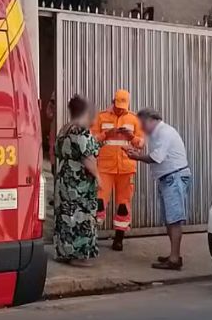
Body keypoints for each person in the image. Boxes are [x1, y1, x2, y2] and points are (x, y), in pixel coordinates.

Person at [125, 109, 191, 271]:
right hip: (167, 178)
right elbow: (154, 154)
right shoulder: (155, 135)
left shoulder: (164, 132)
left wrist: (137, 157)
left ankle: (174, 259)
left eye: (142, 123)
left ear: (151, 119)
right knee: (170, 219)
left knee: (174, 220)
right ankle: (173, 255)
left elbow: (156, 157)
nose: (141, 127)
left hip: (174, 177)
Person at [91, 89, 145, 251]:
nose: (120, 109)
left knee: (123, 204)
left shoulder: (134, 119)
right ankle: (90, 237)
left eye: (123, 106)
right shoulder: (101, 117)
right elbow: (91, 140)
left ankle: (119, 239)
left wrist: (131, 137)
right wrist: (105, 134)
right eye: (118, 105)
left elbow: (141, 144)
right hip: (105, 168)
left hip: (126, 168)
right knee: (99, 203)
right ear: (112, 101)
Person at [53, 95, 102, 267]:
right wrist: (98, 177)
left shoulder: (64, 129)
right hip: (78, 181)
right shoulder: (80, 130)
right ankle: (78, 255)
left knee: (65, 215)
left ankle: (64, 252)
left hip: (64, 179)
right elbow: (87, 158)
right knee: (79, 216)